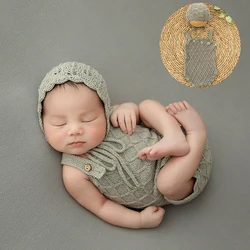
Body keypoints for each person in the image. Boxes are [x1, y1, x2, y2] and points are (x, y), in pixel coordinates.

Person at [37, 62, 212, 229]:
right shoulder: (74, 174)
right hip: (185, 178)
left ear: (104, 111)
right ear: (43, 124)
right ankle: (196, 135)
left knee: (145, 106)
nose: (75, 130)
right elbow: (101, 206)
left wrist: (128, 109)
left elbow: (134, 112)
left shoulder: (112, 118)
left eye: (88, 119)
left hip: (172, 143)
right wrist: (139, 220)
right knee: (167, 184)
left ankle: (174, 134)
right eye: (60, 124)